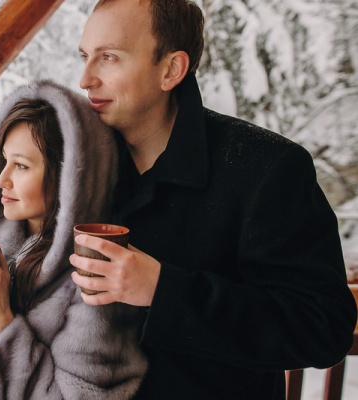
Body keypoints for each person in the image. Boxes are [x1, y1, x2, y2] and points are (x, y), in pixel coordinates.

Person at [71, 0, 358, 398]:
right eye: (85, 56)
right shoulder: (75, 166)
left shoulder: (267, 168)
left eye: (109, 58)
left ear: (171, 69)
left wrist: (163, 290)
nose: (85, 79)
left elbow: (324, 328)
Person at [0, 80, 147, 399]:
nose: (0, 179)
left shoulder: (96, 279)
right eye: (4, 160)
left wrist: (1, 322)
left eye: (21, 165)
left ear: (68, 177)